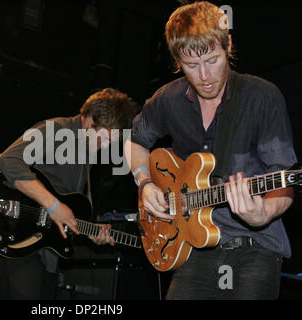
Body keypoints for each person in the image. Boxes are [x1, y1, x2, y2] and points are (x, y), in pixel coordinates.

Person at [126, 1, 297, 299]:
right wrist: (145, 182)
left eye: (213, 59)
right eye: (191, 65)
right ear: (177, 60)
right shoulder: (168, 99)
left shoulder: (262, 98)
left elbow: (284, 178)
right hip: (192, 248)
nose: (204, 75)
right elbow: (135, 141)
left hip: (252, 248)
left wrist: (264, 212)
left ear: (228, 43)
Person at [0, 88, 138, 299]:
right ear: (88, 120)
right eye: (104, 138)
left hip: (47, 253)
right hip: (19, 237)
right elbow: (8, 160)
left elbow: (69, 208)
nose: (106, 146)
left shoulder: (86, 153)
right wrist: (53, 205)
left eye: (111, 141)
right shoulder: (56, 130)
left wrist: (90, 232)